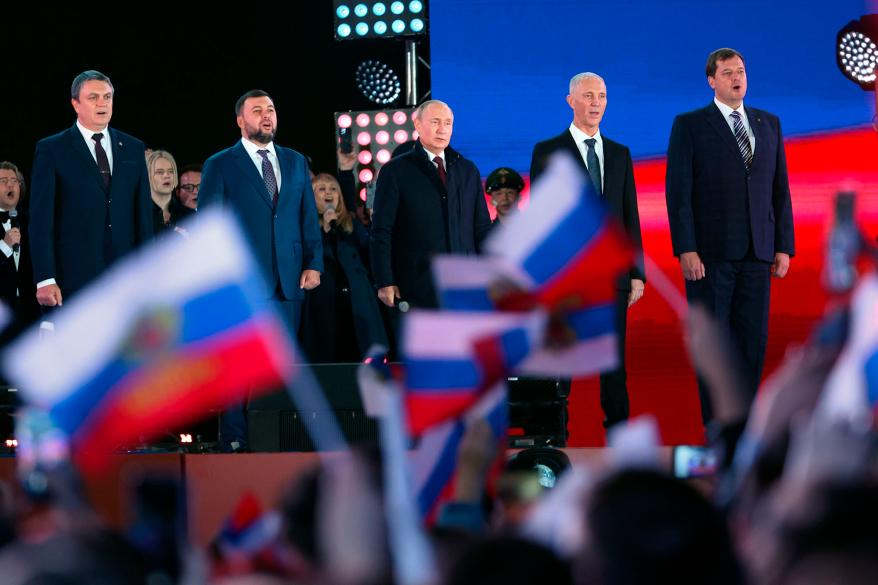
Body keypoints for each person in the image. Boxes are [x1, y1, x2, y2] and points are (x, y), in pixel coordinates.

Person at [665, 48, 795, 423]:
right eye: (727, 73)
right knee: (715, 348)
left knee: (752, 345)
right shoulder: (690, 125)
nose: (736, 78)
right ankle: (717, 428)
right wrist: (686, 248)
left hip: (759, 253)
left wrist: (783, 246)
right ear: (711, 81)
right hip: (710, 257)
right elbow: (679, 192)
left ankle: (746, 428)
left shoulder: (768, 123)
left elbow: (779, 189)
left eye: (740, 71)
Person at [200, 89, 322, 451]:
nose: (267, 115)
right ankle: (235, 438)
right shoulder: (220, 163)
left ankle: (274, 437)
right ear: (240, 120)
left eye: (271, 109)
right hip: (242, 283)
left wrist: (314, 263)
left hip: (289, 281)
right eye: (257, 110)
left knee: (280, 365)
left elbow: (307, 218)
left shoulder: (296, 160)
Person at [530, 72, 646, 430]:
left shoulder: (619, 153)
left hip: (612, 276)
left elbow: (629, 215)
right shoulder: (548, 151)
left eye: (602, 96)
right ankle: (553, 437)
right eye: (589, 96)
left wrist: (637, 272)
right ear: (571, 101)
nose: (597, 102)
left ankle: (618, 434)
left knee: (613, 363)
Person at [29, 70, 153, 309]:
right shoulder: (52, 149)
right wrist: (45, 278)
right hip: (74, 279)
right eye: (93, 97)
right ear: (75, 104)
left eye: (107, 97)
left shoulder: (132, 148)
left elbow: (143, 217)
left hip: (126, 278)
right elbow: (41, 221)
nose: (102, 103)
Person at [370, 99, 492, 310]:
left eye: (448, 123)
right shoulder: (396, 171)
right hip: (418, 284)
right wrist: (385, 280)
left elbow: (481, 227)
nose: (442, 129)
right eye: (435, 122)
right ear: (418, 125)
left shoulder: (467, 170)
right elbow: (381, 230)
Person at [299, 173, 388, 363]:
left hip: (356, 302)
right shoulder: (304, 228)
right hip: (323, 303)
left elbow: (369, 252)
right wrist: (325, 229)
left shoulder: (351, 225)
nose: (328, 193)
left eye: (333, 189)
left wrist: (375, 222)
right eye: (321, 189)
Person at [0, 162, 39, 343]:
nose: (10, 185)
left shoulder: (35, 222)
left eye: (14, 181)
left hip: (32, 315)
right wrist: (5, 246)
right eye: (4, 180)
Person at [145, 149, 178, 233]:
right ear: (147, 176)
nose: (167, 176)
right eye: (160, 172)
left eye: (171, 171)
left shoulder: (188, 214)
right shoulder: (138, 216)